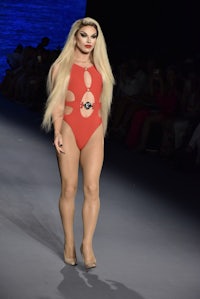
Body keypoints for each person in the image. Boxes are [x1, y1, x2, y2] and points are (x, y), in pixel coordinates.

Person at [41, 17, 115, 270]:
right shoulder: (60, 67)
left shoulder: (102, 68)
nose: (89, 41)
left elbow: (99, 104)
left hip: (94, 129)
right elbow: (58, 105)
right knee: (69, 188)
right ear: (75, 37)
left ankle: (87, 244)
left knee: (92, 188)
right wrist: (58, 132)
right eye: (84, 35)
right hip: (70, 129)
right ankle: (69, 242)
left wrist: (100, 128)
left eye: (93, 36)